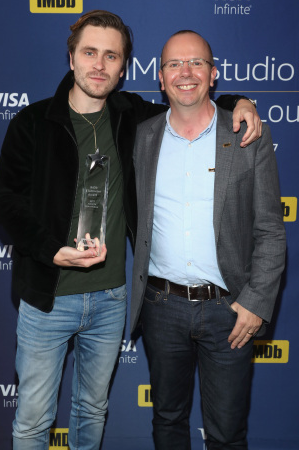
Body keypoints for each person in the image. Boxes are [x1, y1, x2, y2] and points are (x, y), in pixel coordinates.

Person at [0, 10, 261, 450]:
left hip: (111, 299)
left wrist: (240, 101)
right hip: (47, 297)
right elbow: (3, 203)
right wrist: (50, 250)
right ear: (72, 58)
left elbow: (191, 99)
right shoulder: (32, 123)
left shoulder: (130, 116)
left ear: (123, 67)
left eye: (111, 56)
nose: (99, 64)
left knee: (91, 412)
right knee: (33, 421)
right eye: (90, 52)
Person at [130, 30, 286, 449]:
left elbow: (271, 229)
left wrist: (256, 302)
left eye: (196, 63)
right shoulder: (142, 137)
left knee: (226, 434)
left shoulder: (248, 136)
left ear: (213, 74)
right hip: (160, 308)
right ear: (160, 78)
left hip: (229, 312)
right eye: (174, 64)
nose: (185, 72)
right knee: (167, 421)